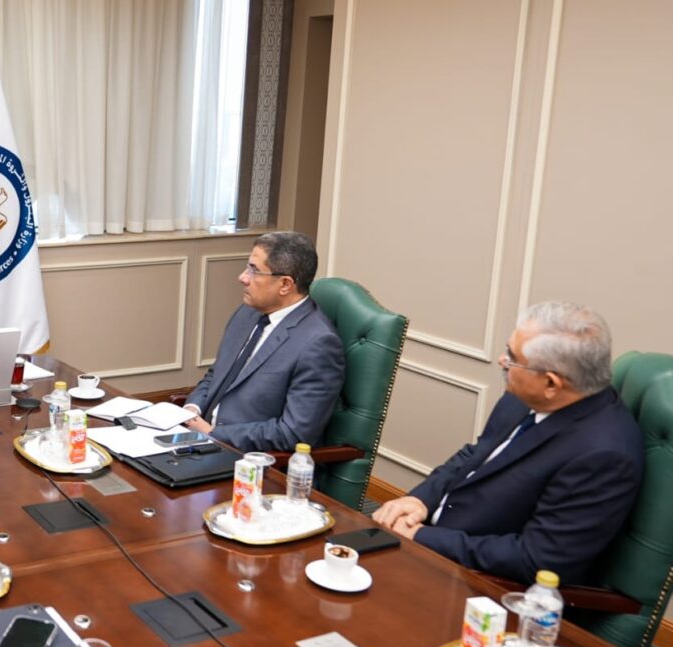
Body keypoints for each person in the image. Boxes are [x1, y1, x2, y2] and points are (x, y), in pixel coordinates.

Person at [373, 301, 643, 584]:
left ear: (551, 383)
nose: (502, 361)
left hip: (479, 581)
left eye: (512, 358)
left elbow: (536, 559)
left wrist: (422, 537)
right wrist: (421, 499)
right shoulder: (527, 396)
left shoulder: (604, 455)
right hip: (435, 539)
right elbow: (476, 454)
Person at [183, 231, 345, 451]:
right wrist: (192, 409)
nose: (243, 277)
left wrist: (213, 433)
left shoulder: (318, 344)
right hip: (199, 441)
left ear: (285, 284)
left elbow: (292, 433)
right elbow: (216, 374)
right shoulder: (247, 312)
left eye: (254, 270)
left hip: (250, 458)